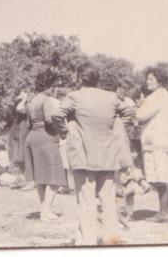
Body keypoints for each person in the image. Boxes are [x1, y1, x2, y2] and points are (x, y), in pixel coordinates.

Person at [52, 63, 134, 245]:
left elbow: (57, 115)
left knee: (86, 201)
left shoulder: (74, 97)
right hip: (108, 155)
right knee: (108, 201)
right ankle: (111, 239)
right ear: (97, 79)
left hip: (83, 155)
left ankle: (87, 242)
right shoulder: (111, 97)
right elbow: (128, 113)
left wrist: (66, 132)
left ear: (79, 78)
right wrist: (116, 128)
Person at [135, 67, 168, 223]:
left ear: (160, 81)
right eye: (147, 79)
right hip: (166, 139)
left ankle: (163, 213)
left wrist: (140, 105)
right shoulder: (166, 95)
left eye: (151, 79)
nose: (147, 82)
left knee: (160, 177)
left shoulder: (155, 96)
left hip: (156, 139)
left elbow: (140, 115)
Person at [24, 70, 67, 223]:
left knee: (40, 177)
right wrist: (63, 130)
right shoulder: (46, 100)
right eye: (54, 86)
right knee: (55, 177)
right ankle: (46, 211)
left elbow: (28, 124)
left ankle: (44, 209)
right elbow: (50, 120)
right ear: (50, 86)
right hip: (46, 138)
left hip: (32, 138)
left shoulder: (32, 101)